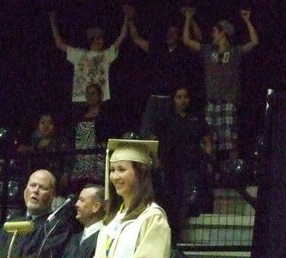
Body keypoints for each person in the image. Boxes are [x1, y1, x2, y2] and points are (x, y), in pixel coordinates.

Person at [182, 8, 259, 162]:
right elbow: (186, 41)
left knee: (231, 143)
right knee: (210, 141)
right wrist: (188, 18)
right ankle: (211, 175)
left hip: (228, 103)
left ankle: (232, 174)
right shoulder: (208, 50)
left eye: (215, 32)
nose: (212, 35)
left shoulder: (235, 52)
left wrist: (247, 21)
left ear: (223, 33)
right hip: (212, 102)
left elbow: (254, 42)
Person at [127, 7, 203, 138]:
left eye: (174, 33)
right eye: (169, 32)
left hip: (171, 100)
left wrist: (190, 19)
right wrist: (129, 19)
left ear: (178, 36)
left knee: (170, 134)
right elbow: (136, 39)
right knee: (146, 132)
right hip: (154, 98)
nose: (170, 35)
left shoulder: (183, 51)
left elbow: (199, 38)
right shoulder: (158, 50)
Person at [152, 85, 213, 237]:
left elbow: (207, 140)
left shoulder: (195, 119)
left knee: (184, 198)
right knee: (170, 199)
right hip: (169, 165)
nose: (183, 100)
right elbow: (153, 139)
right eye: (179, 97)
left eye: (185, 97)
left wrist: (207, 159)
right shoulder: (166, 118)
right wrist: (156, 159)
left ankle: (177, 231)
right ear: (173, 99)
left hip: (190, 166)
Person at [0, 169, 77, 258]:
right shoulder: (12, 224)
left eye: (42, 188)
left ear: (52, 195)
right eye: (32, 185)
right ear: (25, 191)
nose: (36, 191)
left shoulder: (56, 227)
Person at [48, 8, 129, 103]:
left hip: (101, 98)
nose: (101, 41)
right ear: (94, 40)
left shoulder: (106, 54)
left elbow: (122, 36)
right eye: (98, 38)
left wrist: (127, 17)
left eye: (101, 38)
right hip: (81, 98)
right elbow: (59, 43)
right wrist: (52, 20)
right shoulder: (79, 54)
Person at [59, 184, 105, 258]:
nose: (76, 204)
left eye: (82, 200)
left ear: (96, 207)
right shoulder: (74, 239)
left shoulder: (104, 238)